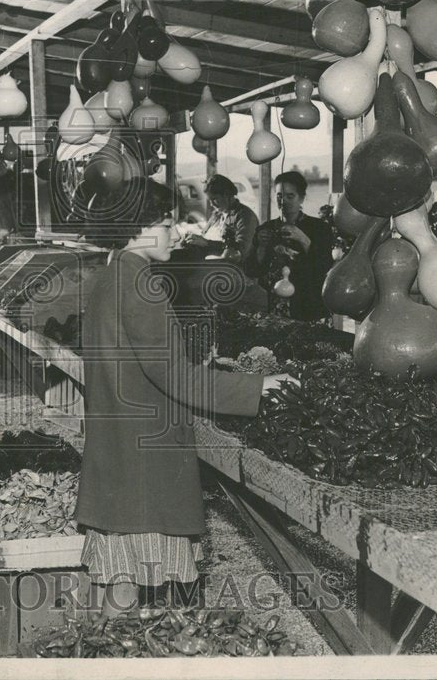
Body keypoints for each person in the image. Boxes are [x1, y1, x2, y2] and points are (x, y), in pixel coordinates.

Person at [75, 178, 274, 618]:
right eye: (168, 222)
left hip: (120, 446)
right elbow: (176, 379)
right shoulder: (142, 285)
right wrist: (258, 388)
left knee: (120, 579)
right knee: (138, 584)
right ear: (139, 226)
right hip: (146, 457)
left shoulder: (112, 275)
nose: (178, 232)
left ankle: (112, 656)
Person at [244, 170, 334, 321]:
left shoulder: (319, 228)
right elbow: (252, 270)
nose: (283, 201)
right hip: (275, 308)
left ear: (302, 198)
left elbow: (324, 267)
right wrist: (261, 247)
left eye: (290, 196)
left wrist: (303, 239)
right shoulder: (266, 229)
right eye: (279, 195)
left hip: (310, 306)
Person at [178, 174, 258, 264]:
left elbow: (240, 250)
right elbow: (205, 236)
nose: (211, 204)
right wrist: (193, 240)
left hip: (234, 268)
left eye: (214, 199)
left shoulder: (245, 216)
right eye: (209, 200)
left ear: (227, 194)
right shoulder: (217, 215)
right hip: (213, 264)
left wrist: (207, 243)